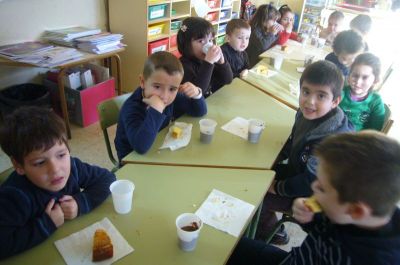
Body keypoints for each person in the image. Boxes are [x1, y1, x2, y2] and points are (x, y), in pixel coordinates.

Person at [227, 131, 400, 265]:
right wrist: (310, 219)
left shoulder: (375, 258)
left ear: (355, 210)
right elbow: (328, 228)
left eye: (322, 188)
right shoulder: (352, 210)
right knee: (223, 245)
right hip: (294, 260)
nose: (313, 187)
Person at [255, 60, 354, 244]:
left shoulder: (330, 144)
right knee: (255, 174)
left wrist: (276, 187)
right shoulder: (303, 113)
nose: (310, 101)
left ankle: (274, 232)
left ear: (335, 101)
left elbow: (310, 183)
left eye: (321, 96)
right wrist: (277, 158)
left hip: (314, 198)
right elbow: (294, 141)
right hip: (300, 173)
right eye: (306, 92)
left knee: (256, 195)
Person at [0, 106, 116, 259]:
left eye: (61, 155)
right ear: (19, 166)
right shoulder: (14, 197)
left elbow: (107, 178)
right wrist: (47, 224)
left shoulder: (73, 167)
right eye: (40, 163)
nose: (55, 170)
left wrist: (79, 203)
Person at [114, 51, 207, 160]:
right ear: (143, 82)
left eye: (172, 89)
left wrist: (196, 94)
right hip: (131, 161)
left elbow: (199, 111)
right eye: (157, 87)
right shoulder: (131, 108)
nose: (164, 96)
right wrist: (156, 110)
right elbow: (140, 147)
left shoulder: (170, 98)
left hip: (158, 149)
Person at [177, 17, 233, 97]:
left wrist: (222, 62)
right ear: (186, 44)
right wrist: (208, 63)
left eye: (210, 40)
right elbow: (199, 92)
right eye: (201, 41)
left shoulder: (208, 59)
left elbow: (227, 80)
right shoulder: (183, 66)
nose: (208, 45)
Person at [339, 53, 385, 131]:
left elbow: (375, 130)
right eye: (355, 76)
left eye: (365, 77)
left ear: (375, 80)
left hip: (357, 140)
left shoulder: (376, 101)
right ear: (349, 75)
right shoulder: (341, 92)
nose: (358, 82)